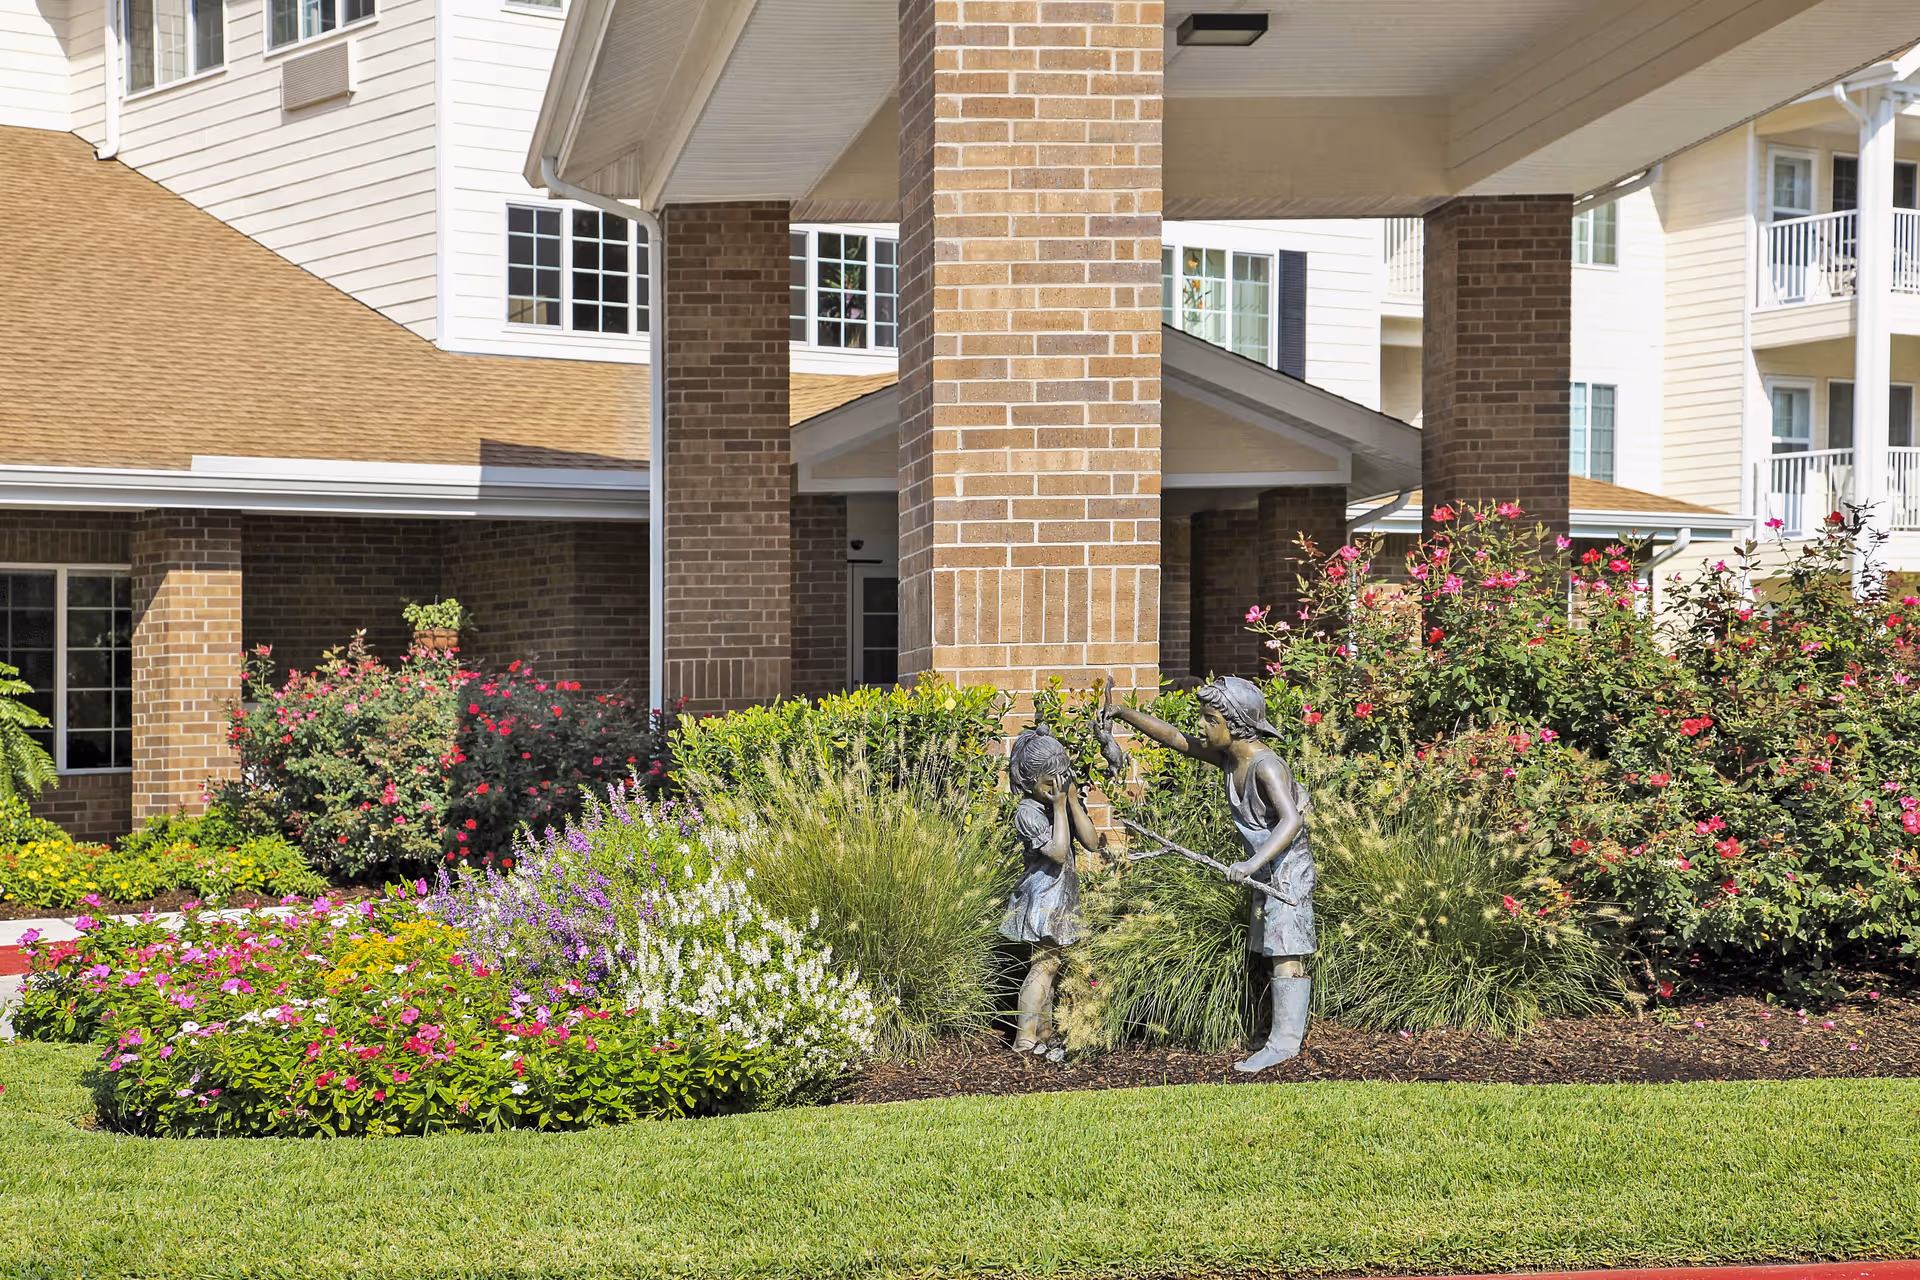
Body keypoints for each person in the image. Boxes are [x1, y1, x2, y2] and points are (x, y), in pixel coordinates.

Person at [1099, 676, 1314, 1071]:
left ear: (1235, 724)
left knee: (1286, 952)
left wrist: (1250, 864)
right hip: (1265, 869)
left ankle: (1284, 1043)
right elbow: (1178, 740)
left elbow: (1291, 822)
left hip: (1287, 871)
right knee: (1266, 947)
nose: (1200, 725)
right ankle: (1269, 1030)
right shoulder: (1233, 758)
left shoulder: (1266, 767)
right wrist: (1124, 713)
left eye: (1208, 718)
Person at [1001, 729, 1095, 1055]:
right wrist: (1058, 808)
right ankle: (1024, 1037)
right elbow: (1056, 852)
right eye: (1048, 783)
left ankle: (1043, 1033)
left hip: (1061, 895)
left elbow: (1092, 842)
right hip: (1042, 898)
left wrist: (1070, 802)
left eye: (1061, 778)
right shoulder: (1028, 812)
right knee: (1043, 966)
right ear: (1030, 783)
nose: (1056, 787)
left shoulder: (1058, 803)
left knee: (1049, 965)